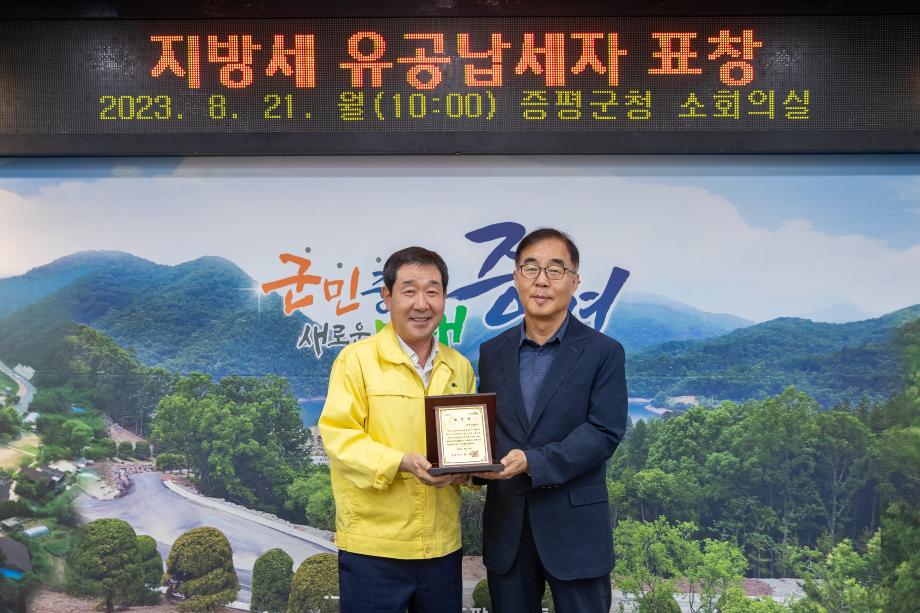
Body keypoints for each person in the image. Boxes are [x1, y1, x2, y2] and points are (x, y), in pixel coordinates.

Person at [475, 228, 628, 613]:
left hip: (576, 533)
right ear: (516, 278)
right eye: (530, 268)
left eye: (555, 270)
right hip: (508, 531)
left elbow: (604, 432)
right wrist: (470, 466)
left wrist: (534, 461)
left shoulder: (604, 352)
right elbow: (487, 428)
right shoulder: (492, 353)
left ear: (574, 281)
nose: (541, 280)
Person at [318, 246, 475, 613]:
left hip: (441, 548)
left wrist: (468, 470)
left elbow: (466, 443)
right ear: (387, 297)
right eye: (409, 291)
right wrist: (402, 462)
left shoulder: (459, 367)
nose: (422, 304)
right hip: (374, 548)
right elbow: (340, 438)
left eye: (432, 291)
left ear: (444, 298)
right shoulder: (356, 361)